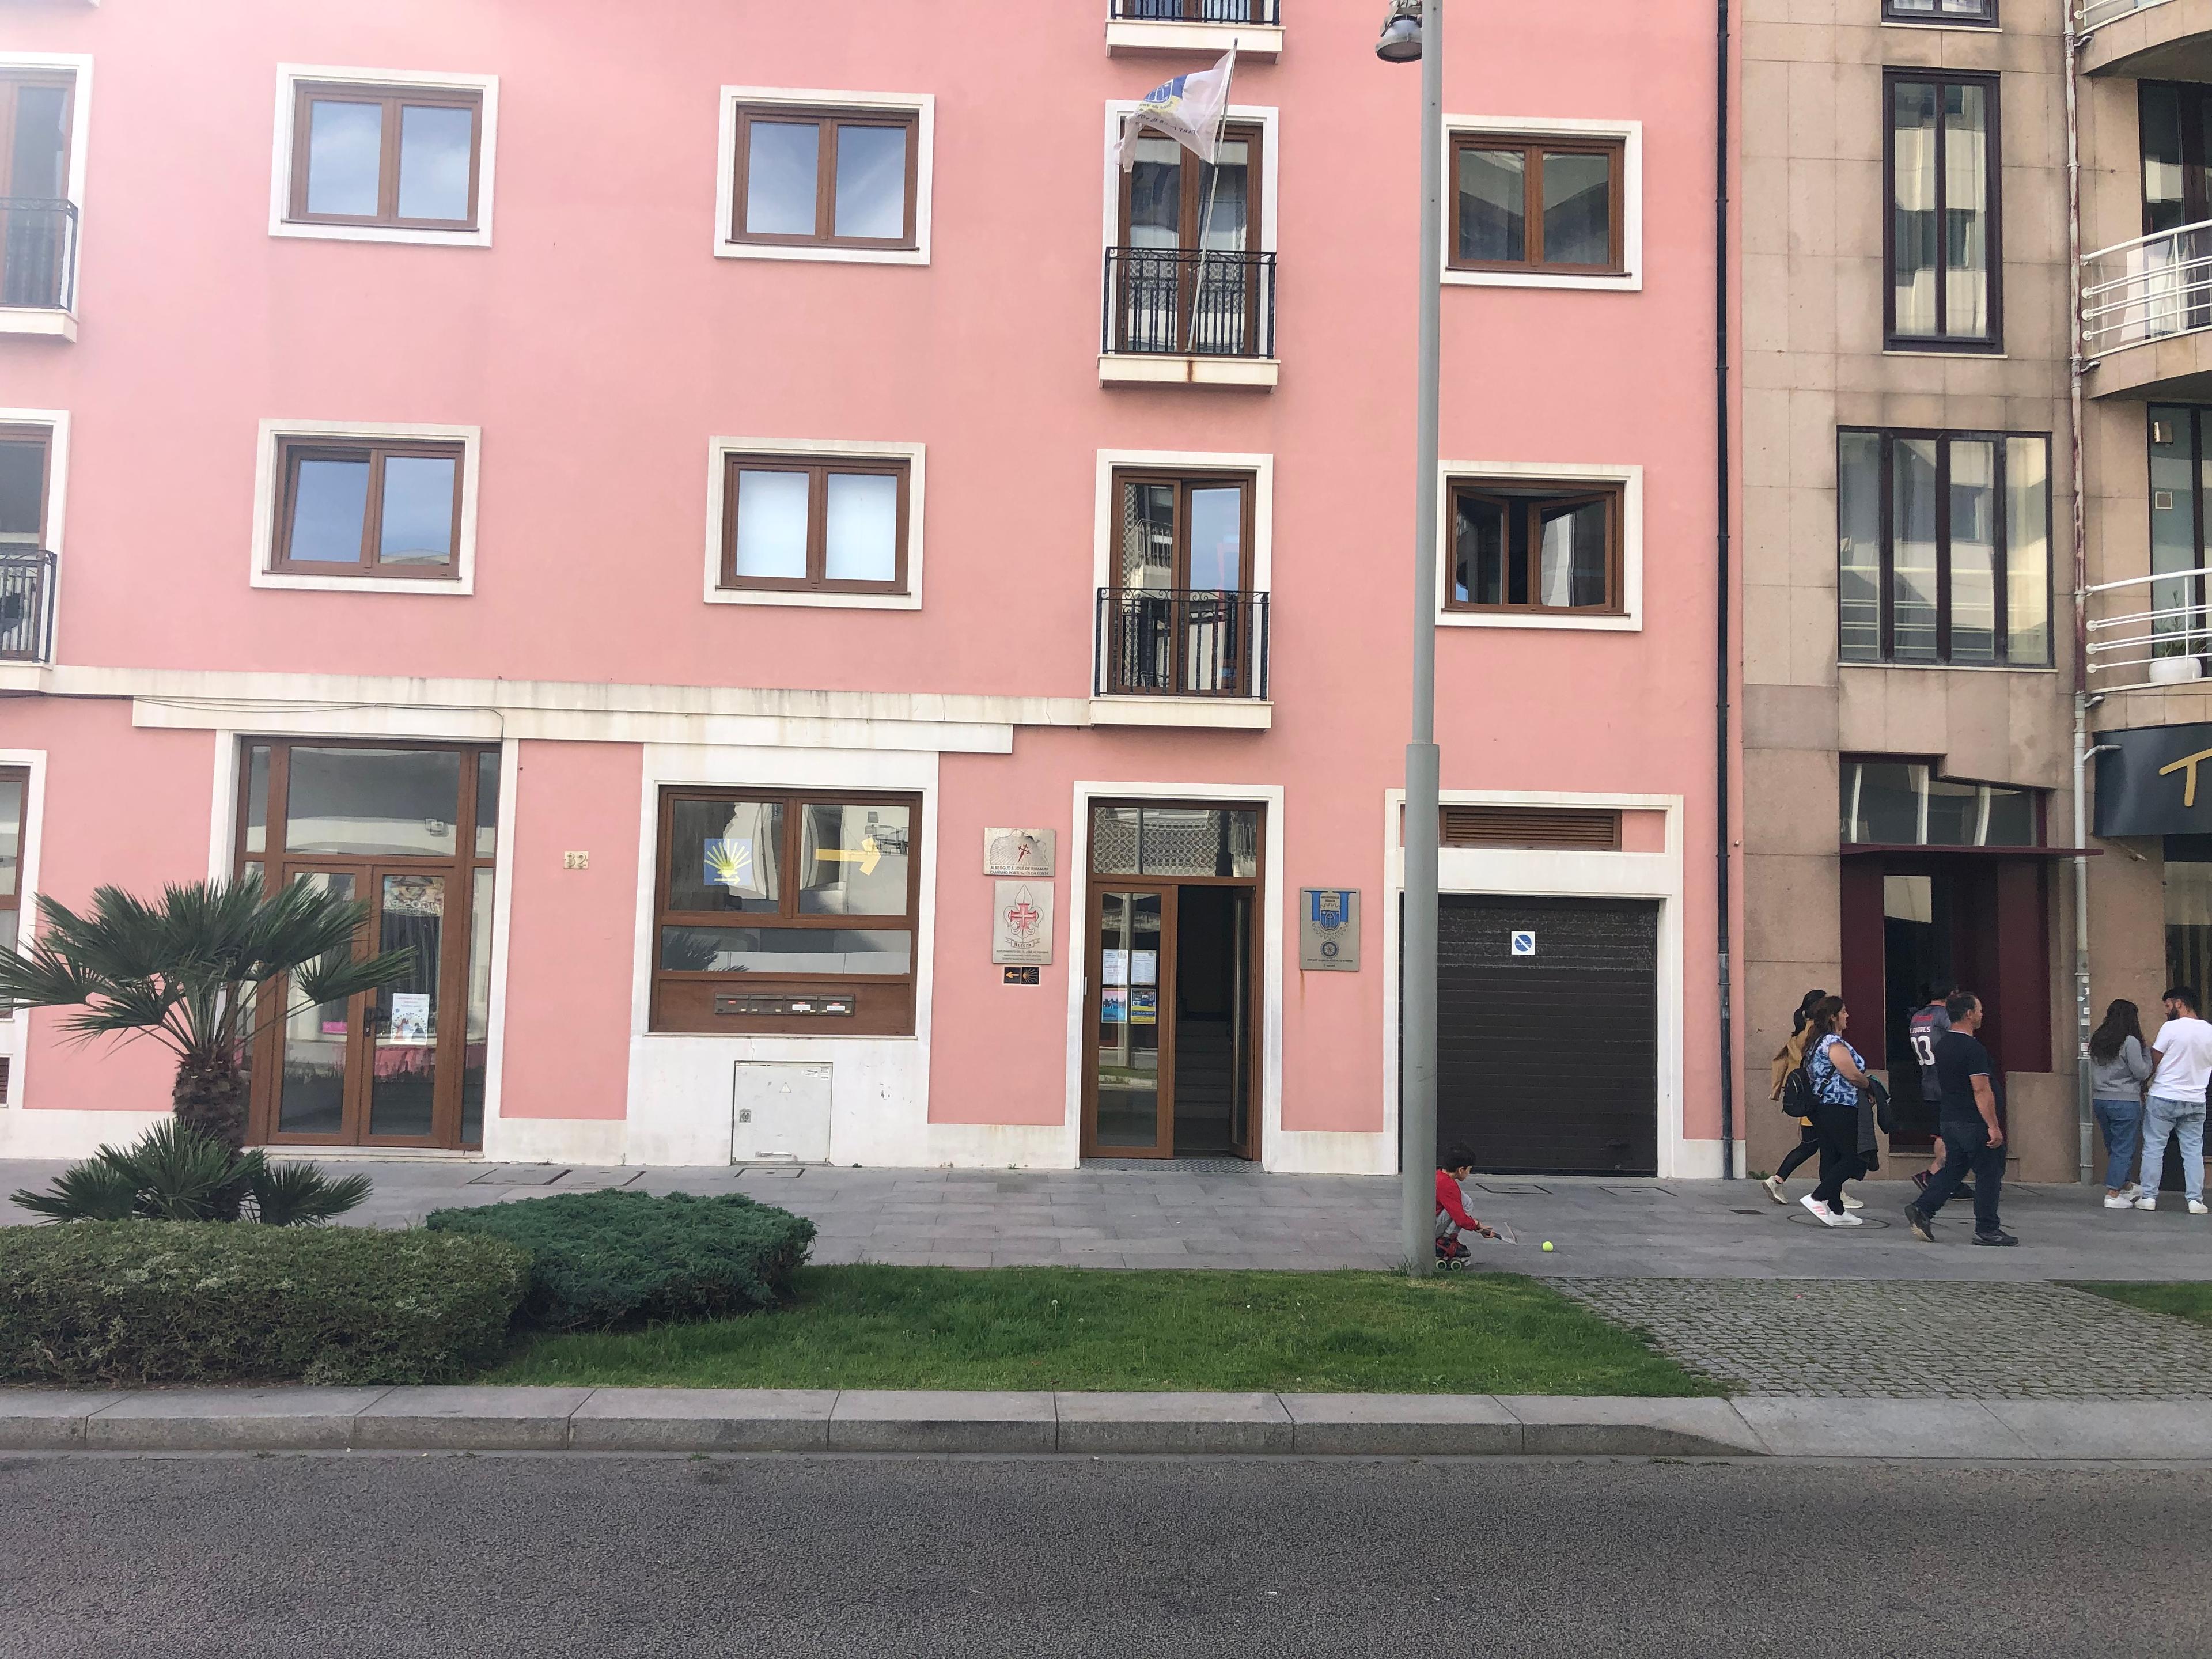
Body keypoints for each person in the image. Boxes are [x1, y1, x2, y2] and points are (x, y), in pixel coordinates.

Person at [1903, 991, 2015, 1245]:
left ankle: (1923, 1208)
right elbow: (1981, 1089)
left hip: (1950, 1118)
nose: (1982, 1014)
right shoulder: (1972, 1048)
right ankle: (1987, 1228)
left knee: (1954, 1169)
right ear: (1969, 1014)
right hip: (1973, 1121)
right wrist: (1993, 1126)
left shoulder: (1943, 1046)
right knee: (1989, 1173)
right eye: (1980, 1010)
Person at [1764, 988, 1861, 1209]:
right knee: (1827, 1149)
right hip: (1822, 1100)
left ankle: (1824, 1192)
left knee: (1816, 1146)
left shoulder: (1801, 1034)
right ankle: (1827, 1192)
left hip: (1810, 1099)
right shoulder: (1818, 1035)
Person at [2135, 986, 2212, 1215]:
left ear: (2179, 1003)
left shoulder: (2171, 1028)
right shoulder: (2209, 1031)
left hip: (2164, 1096)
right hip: (2196, 1098)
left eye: (2168, 1006)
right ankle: (2195, 1200)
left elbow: (2155, 1058)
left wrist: (2145, 1082)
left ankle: (2149, 1197)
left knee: (2154, 1147)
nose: (2166, 1011)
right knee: (2193, 1151)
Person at [1799, 997, 1870, 1228]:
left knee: (1831, 1157)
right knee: (1853, 1157)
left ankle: (1837, 1210)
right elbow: (1851, 1073)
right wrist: (1869, 1085)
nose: (1848, 1016)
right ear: (1833, 1017)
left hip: (1821, 1107)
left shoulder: (1815, 1042)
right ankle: (1817, 1197)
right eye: (1844, 1012)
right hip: (1839, 1105)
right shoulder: (1832, 1042)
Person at [2087, 998, 2153, 1210]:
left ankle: (2125, 1185)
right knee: (2124, 1148)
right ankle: (2113, 1194)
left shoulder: (2098, 1039)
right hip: (2125, 1100)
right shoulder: (2130, 1042)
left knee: (2114, 1146)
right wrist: (2147, 1054)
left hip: (2100, 1099)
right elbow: (2142, 1072)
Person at [1909, 982, 1971, 1202]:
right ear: (1951, 995)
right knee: (1950, 1134)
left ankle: (1943, 1178)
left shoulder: (1918, 1017)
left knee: (1940, 1133)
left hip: (1928, 1079)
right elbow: (1957, 1040)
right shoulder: (1945, 1016)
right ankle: (1935, 1175)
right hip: (1946, 1081)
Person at [1434, 1146, 1497, 1263]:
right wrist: (1477, 1224)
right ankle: (1444, 1243)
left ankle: (1443, 1240)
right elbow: (1461, 1220)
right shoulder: (1448, 1186)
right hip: (1430, 1228)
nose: (1469, 1173)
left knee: (1464, 1200)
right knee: (1465, 1204)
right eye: (1469, 1169)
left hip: (1427, 1223)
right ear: (1461, 1170)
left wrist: (1478, 1227)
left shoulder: (1439, 1176)